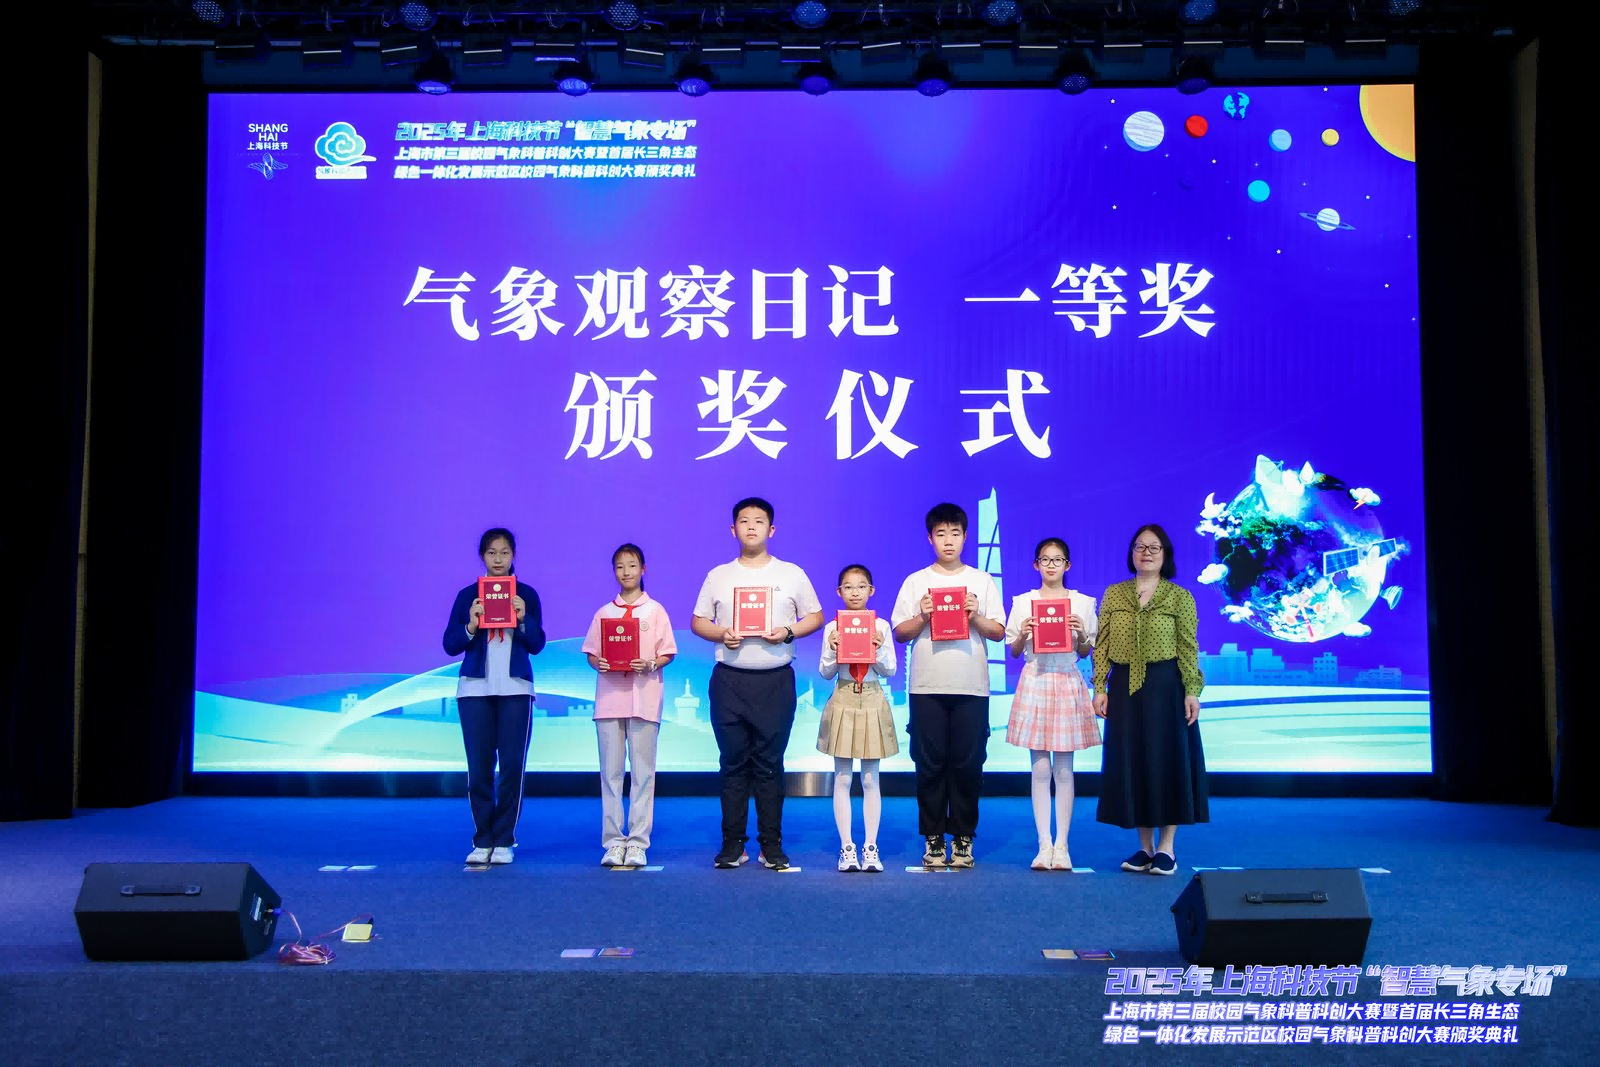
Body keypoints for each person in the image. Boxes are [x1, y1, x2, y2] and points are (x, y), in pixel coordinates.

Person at [691, 497, 823, 870]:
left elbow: (815, 616)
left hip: (775, 681)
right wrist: (722, 634)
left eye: (759, 521)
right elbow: (698, 621)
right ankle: (733, 844)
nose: (751, 526)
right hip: (730, 681)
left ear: (771, 530)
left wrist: (787, 631)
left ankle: (771, 845)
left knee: (769, 765)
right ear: (733, 530)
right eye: (744, 521)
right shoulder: (719, 575)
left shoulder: (791, 574)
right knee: (732, 764)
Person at [890, 503, 1006, 868]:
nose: (948, 540)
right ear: (930, 539)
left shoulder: (981, 581)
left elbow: (998, 632)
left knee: (969, 764)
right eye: (941, 534)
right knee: (929, 764)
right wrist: (923, 615)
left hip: (972, 687)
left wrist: (976, 615)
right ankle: (934, 837)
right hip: (927, 686)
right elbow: (899, 632)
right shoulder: (915, 582)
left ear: (965, 537)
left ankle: (964, 837)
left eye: (955, 533)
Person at [1093, 524, 1208, 876]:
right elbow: (1102, 643)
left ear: (1165, 555)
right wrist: (1099, 687)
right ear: (1131, 553)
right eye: (1140, 546)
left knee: (1167, 760)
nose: (1146, 553)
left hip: (1166, 686)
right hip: (1124, 687)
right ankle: (1144, 848)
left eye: (1154, 547)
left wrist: (1192, 690)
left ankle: (1167, 848)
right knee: (1133, 761)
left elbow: (1188, 647)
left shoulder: (1179, 597)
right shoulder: (1115, 594)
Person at [442, 528, 546, 866]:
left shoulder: (526, 594)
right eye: (491, 553)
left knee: (512, 767)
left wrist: (523, 619)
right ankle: (482, 839)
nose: (498, 559)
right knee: (479, 769)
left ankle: (504, 839)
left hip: (516, 689)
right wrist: (471, 625)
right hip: (475, 690)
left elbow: (537, 644)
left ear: (513, 555)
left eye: (504, 552)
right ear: (482, 556)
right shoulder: (467, 596)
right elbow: (450, 644)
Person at [1004, 537, 1099, 871]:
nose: (1051, 565)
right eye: (1045, 559)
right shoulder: (1023, 602)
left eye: (1058, 560)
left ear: (1067, 565)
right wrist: (1022, 634)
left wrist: (1082, 634)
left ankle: (1063, 845)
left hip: (1066, 678)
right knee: (1040, 768)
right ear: (1036, 565)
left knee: (1064, 769)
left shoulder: (1082, 603)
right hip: (1035, 679)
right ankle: (1044, 844)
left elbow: (1086, 651)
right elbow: (1014, 651)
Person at [581, 543, 677, 869]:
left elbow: (668, 652)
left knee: (642, 774)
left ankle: (637, 842)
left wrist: (651, 664)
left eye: (632, 565)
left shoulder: (656, 611)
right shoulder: (604, 613)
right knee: (610, 775)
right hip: (609, 701)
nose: (626, 572)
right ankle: (612, 842)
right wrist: (598, 664)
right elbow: (592, 653)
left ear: (643, 569)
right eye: (620, 566)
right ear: (614, 572)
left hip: (645, 699)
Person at [817, 564, 898, 873]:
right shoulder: (832, 627)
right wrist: (832, 648)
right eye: (848, 587)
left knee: (870, 778)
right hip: (843, 695)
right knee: (841, 777)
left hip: (873, 696)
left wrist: (877, 648)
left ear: (871, 591)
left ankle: (871, 847)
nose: (855, 592)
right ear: (839, 592)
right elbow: (825, 672)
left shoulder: (882, 626)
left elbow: (890, 669)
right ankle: (847, 848)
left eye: (861, 586)